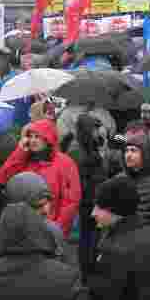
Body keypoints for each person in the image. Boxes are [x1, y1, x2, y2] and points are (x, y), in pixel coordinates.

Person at [0, 118, 81, 237]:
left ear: (48, 139)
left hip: (49, 229)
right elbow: (3, 178)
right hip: (22, 229)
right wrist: (20, 152)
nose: (32, 140)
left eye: (37, 137)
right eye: (30, 136)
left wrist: (57, 229)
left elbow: (71, 201)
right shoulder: (24, 159)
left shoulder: (65, 163)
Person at [0, 172, 64, 261]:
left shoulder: (54, 233)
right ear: (16, 207)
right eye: (38, 206)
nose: (46, 211)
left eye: (48, 202)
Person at [66, 113, 108, 281]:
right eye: (94, 129)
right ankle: (87, 272)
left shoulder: (88, 145)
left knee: (93, 235)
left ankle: (91, 269)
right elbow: (81, 177)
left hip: (93, 198)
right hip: (87, 200)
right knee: (88, 237)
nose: (97, 132)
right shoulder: (77, 150)